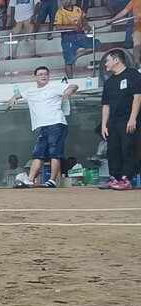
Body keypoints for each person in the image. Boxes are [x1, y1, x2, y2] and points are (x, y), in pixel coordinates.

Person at [8, 65, 79, 188]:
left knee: (54, 153)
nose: (43, 76)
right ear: (35, 77)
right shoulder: (31, 91)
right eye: (40, 74)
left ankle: (52, 180)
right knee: (38, 154)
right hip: (42, 127)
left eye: (45, 74)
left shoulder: (55, 86)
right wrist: (14, 98)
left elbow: (74, 86)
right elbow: (20, 95)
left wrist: (70, 90)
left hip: (56, 123)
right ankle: (30, 180)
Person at [100, 49, 141, 190]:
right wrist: (104, 125)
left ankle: (126, 178)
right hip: (113, 121)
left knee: (128, 148)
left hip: (128, 119)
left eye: (108, 60)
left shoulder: (133, 75)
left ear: (116, 60)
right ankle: (114, 177)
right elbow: (105, 105)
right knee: (113, 149)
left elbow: (137, 97)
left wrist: (133, 118)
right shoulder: (108, 82)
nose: (106, 63)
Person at [54, 0, 100, 79]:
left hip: (80, 36)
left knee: (97, 44)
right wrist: (72, 27)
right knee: (69, 61)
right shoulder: (60, 12)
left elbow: (83, 19)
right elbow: (58, 27)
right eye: (63, 0)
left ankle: (78, 55)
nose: (65, 1)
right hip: (68, 40)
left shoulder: (78, 9)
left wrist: (87, 26)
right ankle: (71, 80)